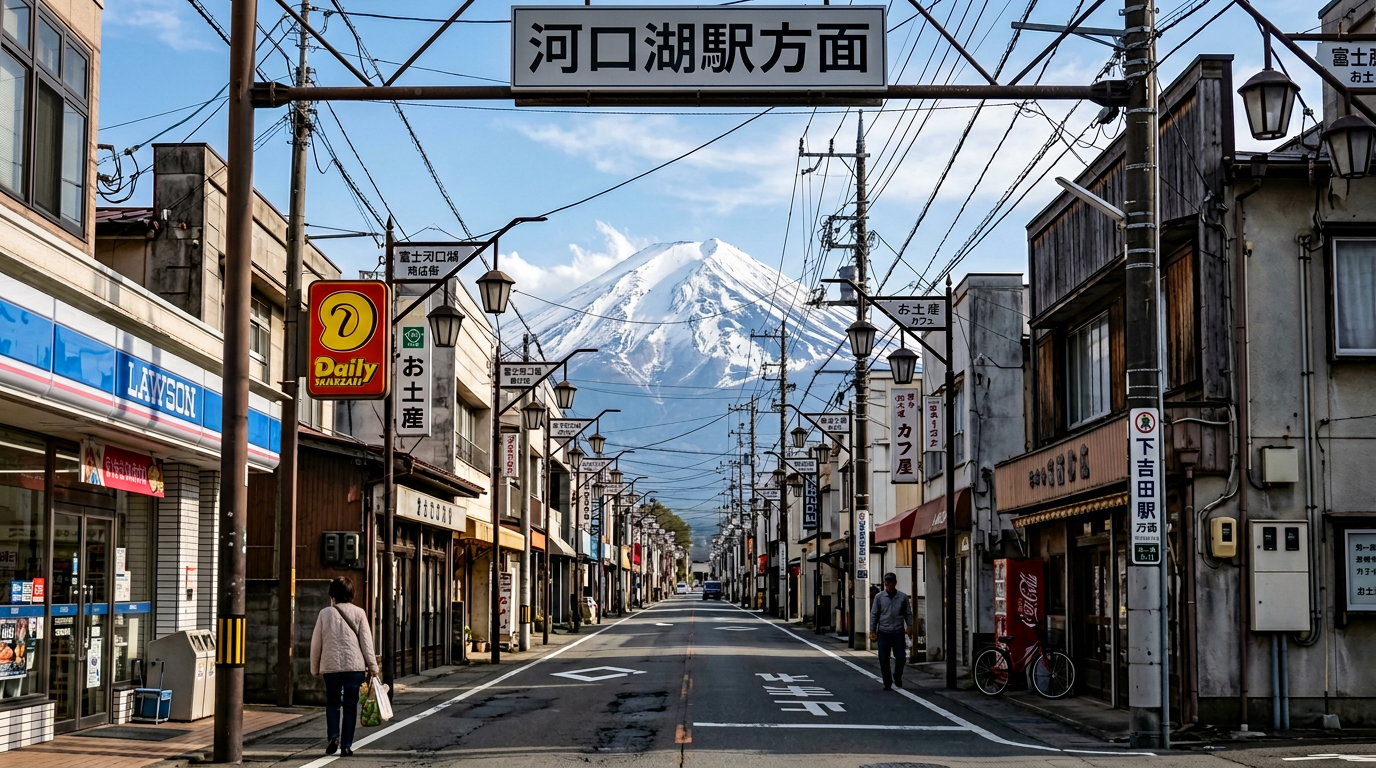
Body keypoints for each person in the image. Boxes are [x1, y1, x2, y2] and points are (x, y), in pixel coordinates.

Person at [310, 576, 378, 756]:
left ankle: (333, 736)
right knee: (350, 706)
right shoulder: (359, 613)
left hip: (331, 668)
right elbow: (366, 643)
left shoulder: (324, 613)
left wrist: (314, 667)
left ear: (333, 595)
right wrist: (373, 667)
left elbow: (316, 643)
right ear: (351, 593)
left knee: (332, 703)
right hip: (354, 668)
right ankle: (346, 746)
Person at [868, 572, 913, 691]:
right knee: (883, 659)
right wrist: (872, 630)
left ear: (895, 583)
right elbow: (874, 614)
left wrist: (910, 626)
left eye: (890, 581)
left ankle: (897, 675)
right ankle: (887, 682)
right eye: (886, 581)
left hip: (898, 632)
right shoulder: (879, 597)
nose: (887, 583)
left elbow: (907, 613)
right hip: (883, 632)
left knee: (901, 657)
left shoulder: (902, 597)